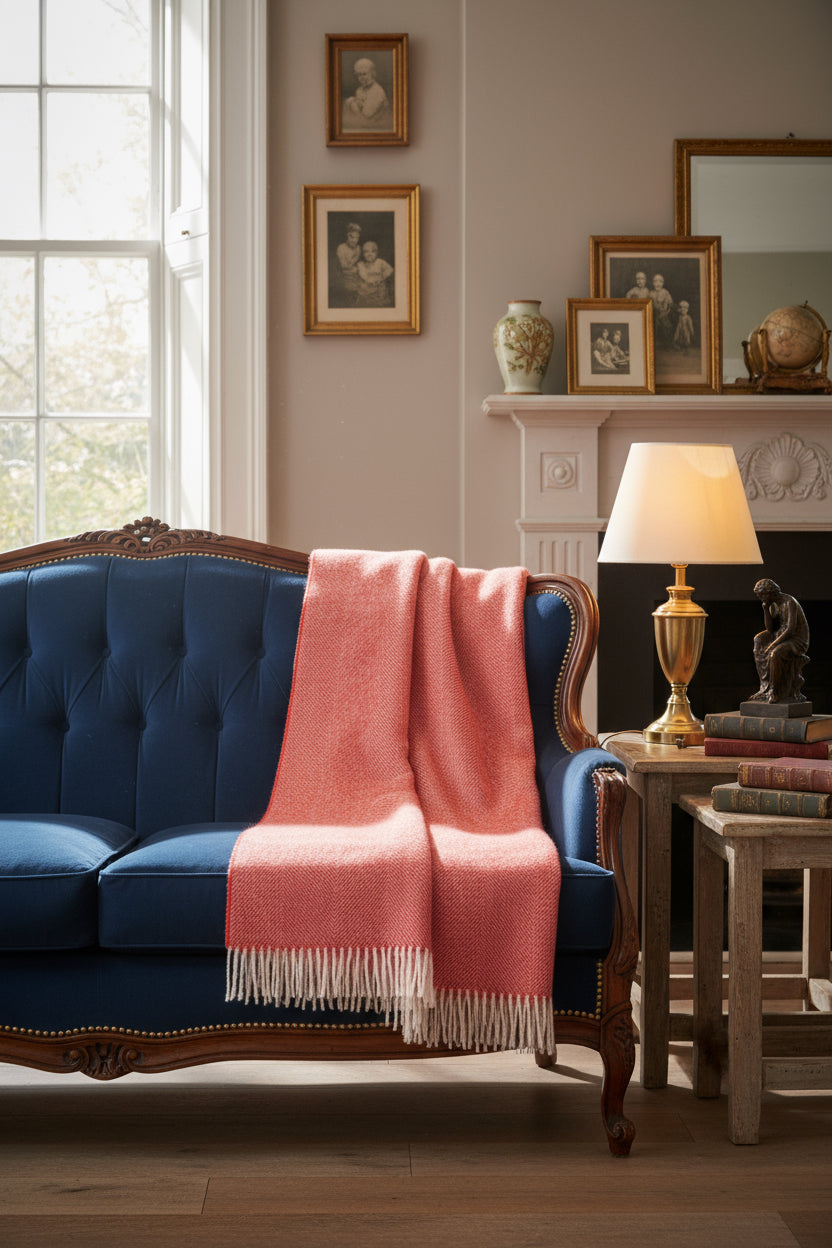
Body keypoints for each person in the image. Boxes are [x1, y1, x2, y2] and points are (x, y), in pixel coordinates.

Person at [748, 578, 810, 705]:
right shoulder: (772, 604)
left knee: (775, 653)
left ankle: (774, 691)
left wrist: (772, 644)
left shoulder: (789, 602)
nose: (761, 598)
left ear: (769, 592)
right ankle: (764, 687)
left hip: (796, 639)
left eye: (762, 595)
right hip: (780, 634)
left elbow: (790, 629)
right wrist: (765, 609)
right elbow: (770, 628)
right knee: (758, 640)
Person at [342, 58, 393, 130]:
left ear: (372, 74)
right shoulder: (359, 90)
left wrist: (351, 103)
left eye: (364, 74)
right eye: (359, 75)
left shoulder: (377, 91)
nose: (361, 78)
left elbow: (365, 117)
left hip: (378, 129)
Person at [356, 240, 394, 306]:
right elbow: (363, 275)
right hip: (367, 293)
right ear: (362, 254)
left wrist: (382, 276)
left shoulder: (380, 262)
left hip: (380, 293)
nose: (369, 254)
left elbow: (390, 269)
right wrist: (371, 280)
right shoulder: (361, 264)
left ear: (377, 253)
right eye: (366, 251)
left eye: (373, 251)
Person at [335, 223, 362, 297]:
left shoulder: (358, 248)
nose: (354, 240)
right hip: (343, 278)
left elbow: (359, 267)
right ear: (347, 236)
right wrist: (356, 268)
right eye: (352, 237)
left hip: (355, 277)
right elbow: (344, 266)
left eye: (357, 238)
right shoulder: (341, 248)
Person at [649, 273, 675, 347]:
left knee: (667, 325)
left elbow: (670, 304)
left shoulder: (665, 292)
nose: (658, 284)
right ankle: (653, 343)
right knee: (654, 325)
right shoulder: (651, 293)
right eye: (655, 281)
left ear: (663, 283)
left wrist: (666, 312)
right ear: (653, 283)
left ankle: (668, 343)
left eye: (660, 281)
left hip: (664, 313)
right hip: (654, 313)